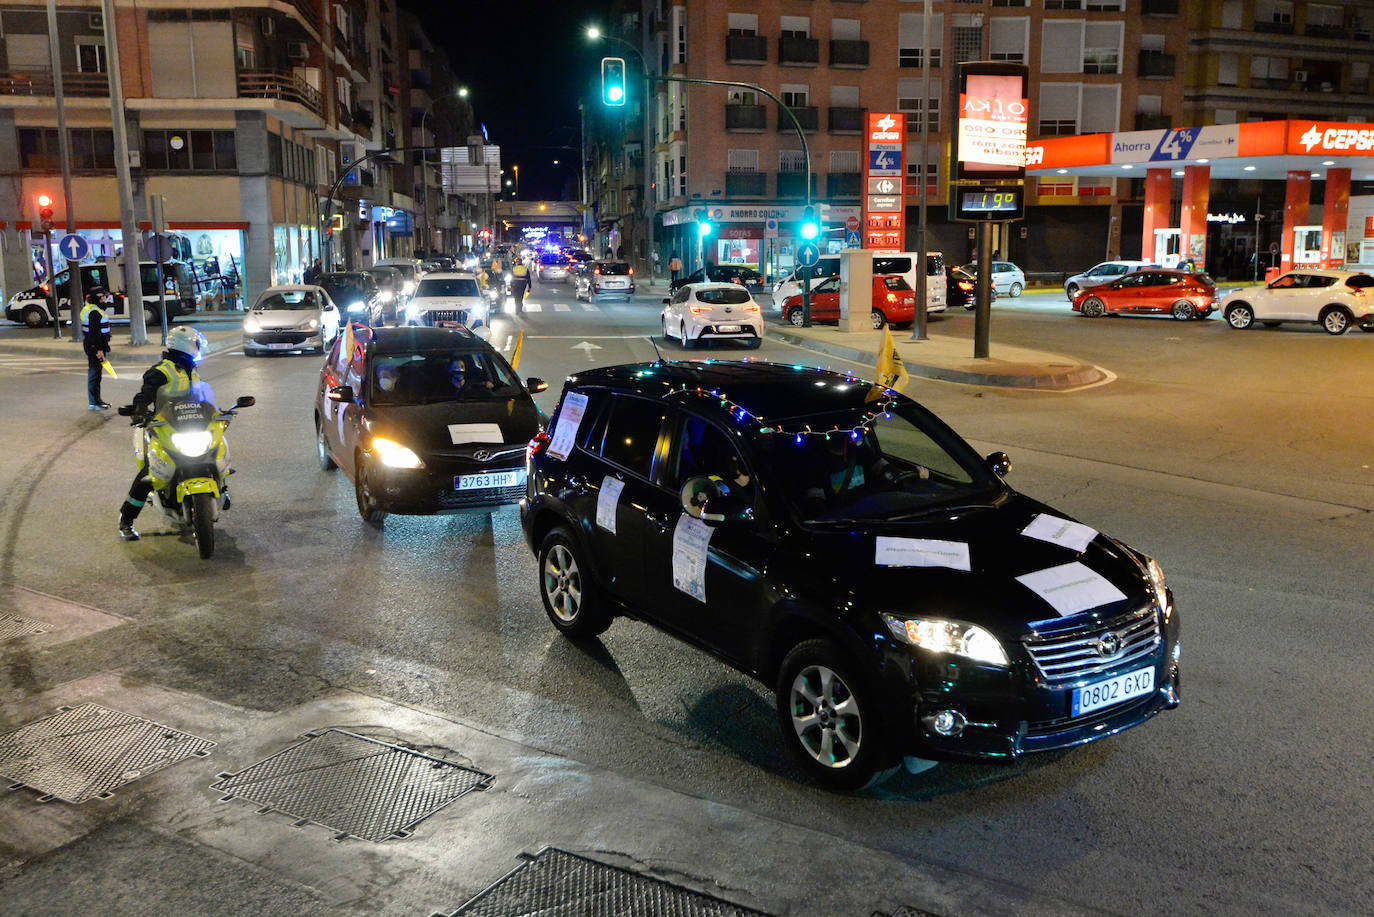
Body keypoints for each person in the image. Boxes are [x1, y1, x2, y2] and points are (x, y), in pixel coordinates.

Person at [116, 326, 208, 541]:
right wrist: (139, 410)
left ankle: (221, 488)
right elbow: (146, 393)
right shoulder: (160, 371)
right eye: (195, 343)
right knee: (149, 475)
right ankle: (126, 520)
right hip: (166, 427)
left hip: (192, 424)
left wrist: (215, 411)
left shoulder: (191, 369)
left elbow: (201, 397)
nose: (198, 347)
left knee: (214, 451)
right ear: (186, 345)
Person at [81, 287, 112, 410]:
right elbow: (95, 333)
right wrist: (98, 350)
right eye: (104, 296)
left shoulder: (94, 309)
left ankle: (96, 401)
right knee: (95, 374)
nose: (106, 298)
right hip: (94, 346)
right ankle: (94, 402)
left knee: (96, 373)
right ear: (100, 298)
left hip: (91, 345)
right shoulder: (95, 312)